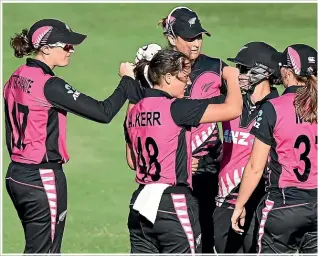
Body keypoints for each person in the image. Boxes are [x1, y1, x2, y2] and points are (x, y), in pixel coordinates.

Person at [4, 18, 140, 253]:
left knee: (36, 248)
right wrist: (127, 82)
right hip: (42, 178)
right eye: (65, 45)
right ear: (45, 48)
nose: (72, 50)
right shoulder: (49, 85)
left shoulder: (16, 76)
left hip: (17, 175)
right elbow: (103, 112)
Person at [120, 49, 242, 254]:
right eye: (184, 78)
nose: (187, 83)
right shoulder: (177, 107)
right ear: (167, 77)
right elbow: (233, 109)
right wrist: (232, 77)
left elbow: (133, 162)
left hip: (140, 204)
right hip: (172, 203)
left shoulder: (133, 111)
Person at [231, 44, 317, 254]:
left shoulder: (274, 107)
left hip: (283, 206)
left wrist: (239, 205)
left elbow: (255, 167)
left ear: (287, 73)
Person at [156, 7, 228, 251]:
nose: (196, 43)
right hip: (171, 170)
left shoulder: (217, 67)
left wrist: (228, 148)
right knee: (177, 239)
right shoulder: (159, 71)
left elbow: (239, 109)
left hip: (208, 166)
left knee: (207, 237)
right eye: (188, 38)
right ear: (171, 39)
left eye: (198, 36)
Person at [212, 42, 281, 253]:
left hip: (261, 201)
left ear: (264, 72)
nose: (238, 74)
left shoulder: (279, 109)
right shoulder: (230, 104)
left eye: (244, 69)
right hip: (224, 202)